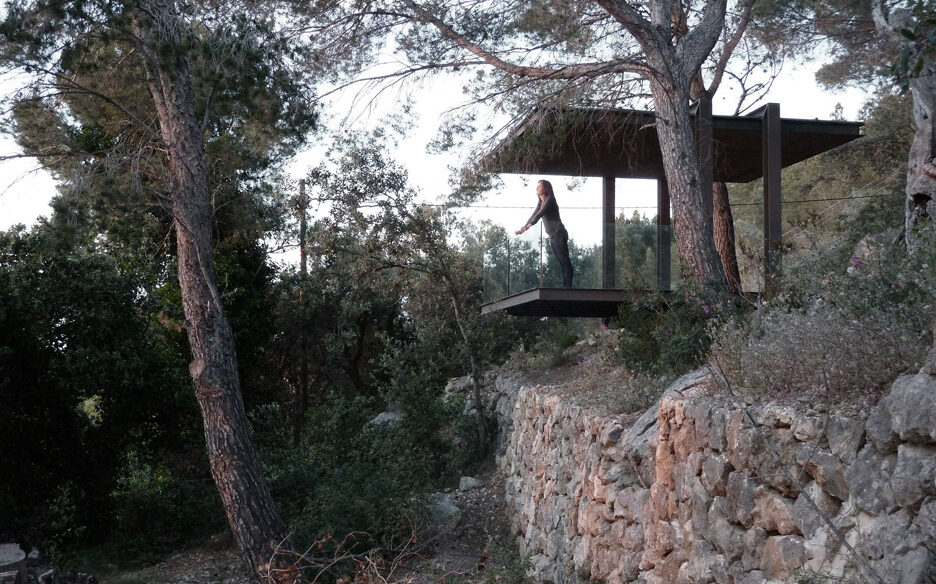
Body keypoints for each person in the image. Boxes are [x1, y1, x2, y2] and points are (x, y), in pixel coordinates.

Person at [516, 179, 574, 288]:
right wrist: (523, 228)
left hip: (559, 234)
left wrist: (526, 228)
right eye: (537, 187)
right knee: (562, 264)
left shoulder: (550, 200)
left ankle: (568, 289)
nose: (537, 188)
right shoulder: (540, 202)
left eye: (539, 186)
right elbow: (534, 215)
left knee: (565, 264)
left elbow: (539, 215)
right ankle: (566, 288)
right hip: (553, 236)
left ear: (545, 188)